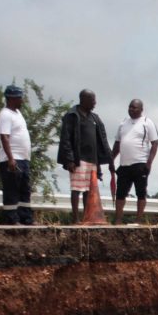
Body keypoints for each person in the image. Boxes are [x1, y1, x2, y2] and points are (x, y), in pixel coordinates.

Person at [58, 89, 113, 224]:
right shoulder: (72, 115)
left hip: (92, 159)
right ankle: (75, 218)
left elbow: (101, 141)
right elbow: (66, 139)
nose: (95, 103)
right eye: (92, 100)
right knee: (77, 189)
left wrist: (101, 163)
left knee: (88, 191)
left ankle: (87, 217)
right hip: (78, 158)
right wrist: (69, 159)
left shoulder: (95, 118)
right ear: (83, 100)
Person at [110, 99, 158, 225]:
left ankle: (138, 219)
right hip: (124, 164)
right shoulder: (123, 123)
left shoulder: (147, 122)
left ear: (141, 109)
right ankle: (118, 219)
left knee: (141, 193)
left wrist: (149, 163)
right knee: (120, 193)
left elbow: (155, 143)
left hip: (140, 163)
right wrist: (111, 159)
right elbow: (117, 143)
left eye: (134, 107)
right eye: (130, 107)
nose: (131, 109)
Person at [0, 84, 33, 225]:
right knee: (12, 189)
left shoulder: (17, 113)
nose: (22, 100)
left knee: (25, 189)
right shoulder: (5, 114)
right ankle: (12, 219)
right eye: (19, 97)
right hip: (12, 159)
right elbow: (4, 137)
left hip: (23, 158)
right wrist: (10, 159)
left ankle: (25, 218)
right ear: (11, 98)